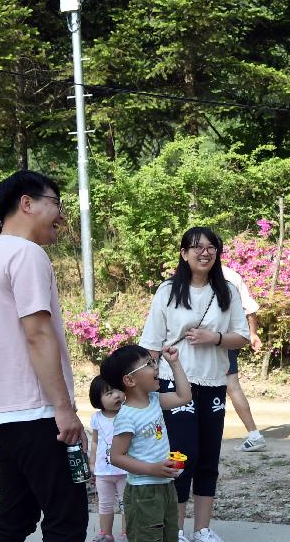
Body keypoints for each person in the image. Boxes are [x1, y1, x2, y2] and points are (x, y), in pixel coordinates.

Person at [0, 170, 88, 542]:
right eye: (55, 203)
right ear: (27, 203)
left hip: (1, 412)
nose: (62, 215)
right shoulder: (26, 253)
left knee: (16, 515)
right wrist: (64, 408)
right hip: (36, 410)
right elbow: (37, 334)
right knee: (66, 517)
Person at [140, 227, 250, 542]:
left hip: (214, 382)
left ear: (217, 253)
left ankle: (202, 528)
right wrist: (145, 387)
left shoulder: (227, 291)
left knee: (207, 456)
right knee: (181, 454)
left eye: (211, 247)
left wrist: (213, 337)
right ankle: (175, 529)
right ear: (184, 253)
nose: (204, 252)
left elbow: (241, 336)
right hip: (173, 382)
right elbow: (151, 343)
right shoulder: (167, 291)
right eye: (196, 247)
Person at [104, 345, 192, 542]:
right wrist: (151, 469)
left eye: (154, 362)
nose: (156, 367)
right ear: (130, 380)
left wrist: (175, 363)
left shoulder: (154, 400)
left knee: (170, 535)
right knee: (147, 537)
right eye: (149, 364)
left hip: (166, 485)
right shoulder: (127, 416)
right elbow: (116, 457)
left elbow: (184, 396)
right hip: (143, 491)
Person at [221, 265, 266, 452]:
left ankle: (254, 434)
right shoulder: (231, 274)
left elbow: (249, 307)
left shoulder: (226, 276)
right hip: (224, 339)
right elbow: (250, 308)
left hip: (222, 340)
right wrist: (253, 333)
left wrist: (253, 334)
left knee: (231, 386)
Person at [88, 375, 128, 542]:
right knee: (104, 504)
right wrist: (92, 462)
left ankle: (127, 534)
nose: (116, 395)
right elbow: (95, 442)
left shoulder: (128, 413)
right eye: (109, 393)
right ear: (98, 400)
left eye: (118, 390)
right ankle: (106, 533)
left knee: (127, 504)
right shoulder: (97, 418)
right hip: (104, 471)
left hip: (126, 470)